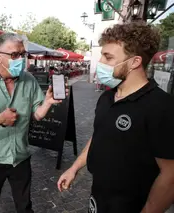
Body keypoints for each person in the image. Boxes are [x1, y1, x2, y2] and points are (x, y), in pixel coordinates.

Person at [57, 22, 174, 213]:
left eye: (108, 57)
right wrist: (74, 168)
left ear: (134, 62)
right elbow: (100, 135)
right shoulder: (107, 97)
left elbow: (170, 174)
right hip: (98, 197)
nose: (100, 62)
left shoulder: (160, 106)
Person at [0, 33, 68, 213]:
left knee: (25, 206)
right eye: (14, 55)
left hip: (19, 156)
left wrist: (47, 103)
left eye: (22, 54)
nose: (20, 59)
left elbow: (36, 114)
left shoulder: (29, 80)